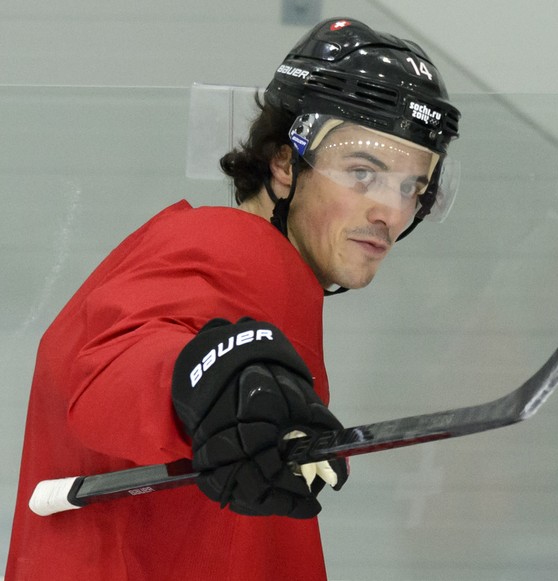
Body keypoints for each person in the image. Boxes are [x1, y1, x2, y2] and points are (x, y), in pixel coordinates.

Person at [5, 17, 460, 581]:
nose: (390, 211)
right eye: (362, 172)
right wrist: (205, 381)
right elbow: (112, 367)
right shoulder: (233, 247)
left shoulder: (246, 263)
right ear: (286, 163)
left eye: (411, 185)